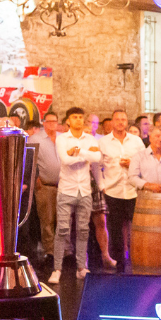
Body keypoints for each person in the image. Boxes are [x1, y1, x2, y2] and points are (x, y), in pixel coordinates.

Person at [49, 107, 101, 284]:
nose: (78, 120)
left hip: (85, 190)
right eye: (75, 117)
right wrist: (86, 155)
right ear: (68, 121)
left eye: (81, 117)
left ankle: (81, 267)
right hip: (67, 189)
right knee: (62, 229)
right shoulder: (62, 139)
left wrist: (78, 152)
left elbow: (97, 158)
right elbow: (65, 160)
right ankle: (57, 268)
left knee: (83, 230)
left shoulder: (91, 138)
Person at [98, 109, 144, 272]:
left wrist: (132, 163)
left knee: (137, 228)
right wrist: (102, 185)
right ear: (112, 121)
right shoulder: (103, 142)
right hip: (113, 190)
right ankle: (119, 264)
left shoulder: (136, 141)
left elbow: (143, 163)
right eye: (117, 119)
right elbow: (98, 165)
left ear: (127, 122)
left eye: (123, 119)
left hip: (132, 190)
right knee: (115, 229)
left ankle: (137, 260)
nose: (120, 122)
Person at [29, 112, 61, 269]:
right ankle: (50, 252)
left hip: (64, 186)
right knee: (47, 221)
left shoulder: (63, 138)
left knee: (63, 220)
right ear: (44, 123)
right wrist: (35, 178)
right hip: (45, 186)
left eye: (55, 121)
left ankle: (64, 252)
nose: (52, 124)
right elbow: (28, 159)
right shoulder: (35, 139)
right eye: (49, 122)